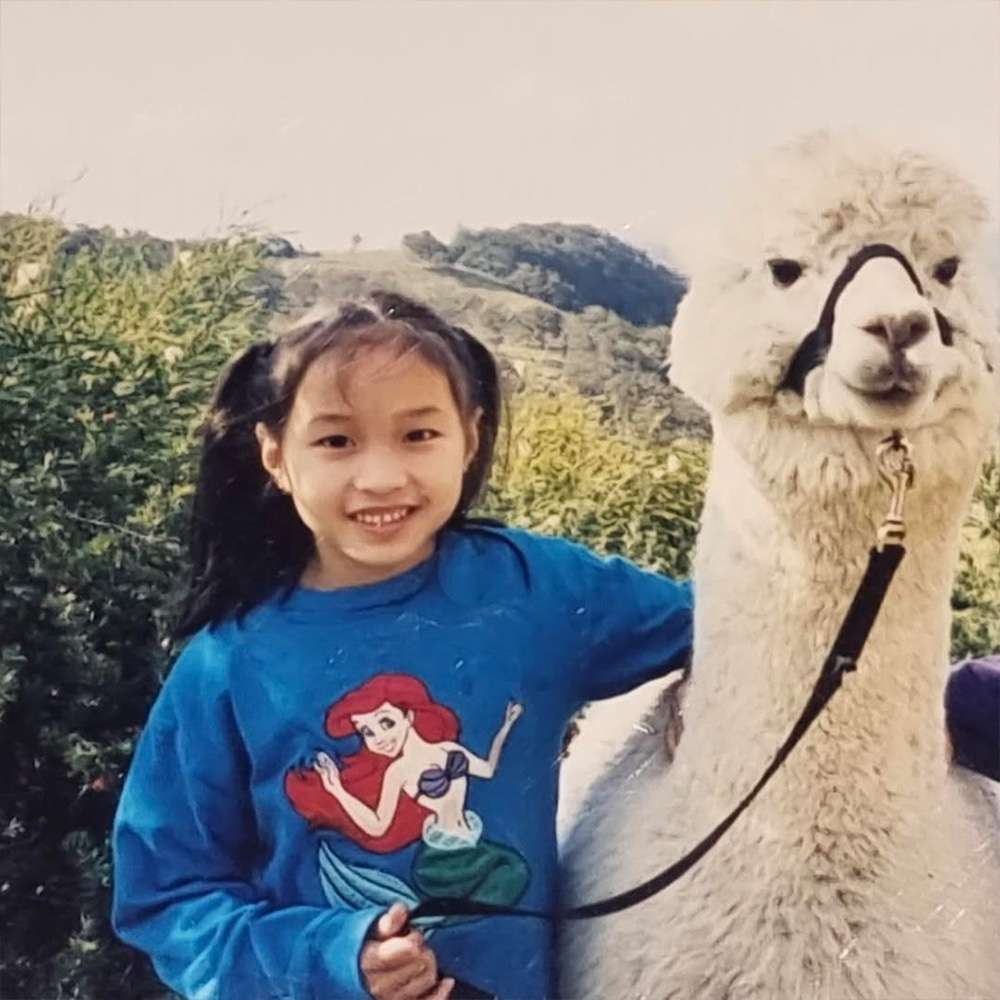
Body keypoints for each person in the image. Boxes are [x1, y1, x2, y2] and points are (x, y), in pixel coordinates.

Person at [111, 291, 693, 1000]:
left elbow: (729, 624)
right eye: (336, 442)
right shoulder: (230, 662)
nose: (382, 477)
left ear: (469, 437)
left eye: (419, 435)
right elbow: (166, 897)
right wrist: (332, 957)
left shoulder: (535, 591)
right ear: (275, 455)